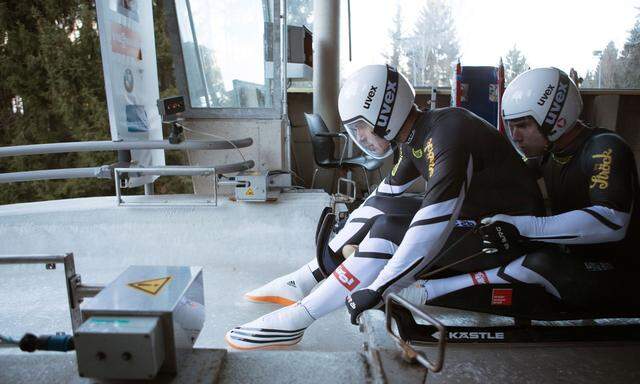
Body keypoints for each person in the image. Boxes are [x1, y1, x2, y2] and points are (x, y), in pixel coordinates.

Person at [225, 64, 546, 350]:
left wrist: (378, 287)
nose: (360, 137)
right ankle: (305, 279)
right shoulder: (421, 134)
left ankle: (301, 318)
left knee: (389, 228)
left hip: (508, 235)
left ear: (384, 115)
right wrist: (329, 257)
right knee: (382, 209)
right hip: (480, 219)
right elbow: (383, 195)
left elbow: (434, 221)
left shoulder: (447, 135)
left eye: (361, 127)